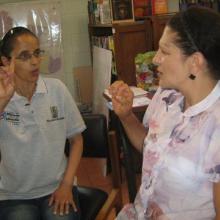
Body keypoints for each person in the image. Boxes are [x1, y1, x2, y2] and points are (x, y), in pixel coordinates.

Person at [109, 6, 220, 220]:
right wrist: (126, 116)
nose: (155, 59)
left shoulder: (216, 124)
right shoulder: (166, 94)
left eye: (165, 51)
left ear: (195, 62)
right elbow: (151, 148)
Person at [0, 26, 86, 220]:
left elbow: (77, 141)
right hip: (13, 196)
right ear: (6, 62)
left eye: (37, 53)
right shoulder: (1, 96)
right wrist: (3, 101)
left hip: (58, 187)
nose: (35, 62)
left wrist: (66, 185)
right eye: (24, 56)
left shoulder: (56, 89)